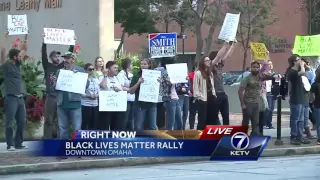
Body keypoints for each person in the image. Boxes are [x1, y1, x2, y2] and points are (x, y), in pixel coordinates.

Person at [41, 34, 75, 139]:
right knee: (49, 119)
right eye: (55, 56)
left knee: (60, 119)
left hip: (59, 96)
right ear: (51, 58)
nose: (58, 58)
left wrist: (72, 44)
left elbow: (69, 55)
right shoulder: (47, 66)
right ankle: (47, 139)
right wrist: (44, 42)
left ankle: (60, 139)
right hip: (50, 96)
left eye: (58, 56)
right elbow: (43, 55)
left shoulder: (61, 67)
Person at [1, 32, 28, 151]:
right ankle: (10, 144)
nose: (21, 56)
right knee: (10, 122)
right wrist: (5, 37)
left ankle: (18, 143)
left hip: (20, 98)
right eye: (19, 55)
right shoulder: (6, 65)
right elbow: (2, 52)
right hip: (11, 97)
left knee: (21, 121)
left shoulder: (18, 64)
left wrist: (26, 37)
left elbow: (24, 50)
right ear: (14, 57)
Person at [238, 61, 274, 136]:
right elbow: (240, 91)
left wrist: (266, 72)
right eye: (254, 67)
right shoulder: (247, 78)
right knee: (245, 122)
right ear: (251, 68)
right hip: (248, 103)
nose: (255, 69)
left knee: (256, 122)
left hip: (256, 103)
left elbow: (271, 77)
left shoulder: (260, 77)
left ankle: (254, 138)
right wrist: (242, 104)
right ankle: (242, 137)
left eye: (257, 67)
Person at [55, 52, 84, 139]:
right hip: (61, 103)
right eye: (65, 58)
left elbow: (86, 85)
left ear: (73, 60)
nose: (65, 60)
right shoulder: (59, 71)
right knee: (62, 128)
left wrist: (78, 76)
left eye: (68, 58)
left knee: (76, 129)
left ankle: (77, 148)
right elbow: (55, 88)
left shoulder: (80, 70)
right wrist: (54, 82)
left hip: (75, 104)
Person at [286, 55, 311, 145]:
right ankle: (294, 136)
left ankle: (300, 136)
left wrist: (305, 65)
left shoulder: (299, 70)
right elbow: (303, 72)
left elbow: (308, 69)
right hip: (295, 98)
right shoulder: (292, 72)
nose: (301, 61)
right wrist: (302, 66)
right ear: (294, 62)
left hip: (302, 98)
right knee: (295, 119)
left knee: (301, 119)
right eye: (299, 60)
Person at [209, 42, 235, 125]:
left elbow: (227, 56)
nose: (221, 58)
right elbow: (219, 56)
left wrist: (233, 45)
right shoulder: (211, 67)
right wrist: (225, 44)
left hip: (223, 94)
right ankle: (215, 131)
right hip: (215, 95)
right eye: (219, 57)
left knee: (226, 115)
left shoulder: (219, 67)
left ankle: (226, 132)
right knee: (214, 116)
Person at [130, 58, 156, 130]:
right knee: (138, 126)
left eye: (145, 64)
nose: (143, 66)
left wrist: (158, 83)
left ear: (149, 65)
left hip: (152, 104)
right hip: (140, 105)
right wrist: (138, 82)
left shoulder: (154, 75)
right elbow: (131, 91)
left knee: (153, 126)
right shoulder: (136, 76)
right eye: (141, 64)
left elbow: (159, 90)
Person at [99, 61, 126, 130]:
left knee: (116, 126)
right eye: (114, 68)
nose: (117, 69)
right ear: (108, 69)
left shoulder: (117, 78)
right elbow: (103, 86)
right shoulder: (102, 77)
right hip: (106, 107)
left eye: (117, 68)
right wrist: (105, 76)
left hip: (116, 107)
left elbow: (121, 91)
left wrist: (119, 90)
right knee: (105, 126)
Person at [159, 58, 183, 130]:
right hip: (169, 99)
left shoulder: (172, 72)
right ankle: (169, 138)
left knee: (179, 120)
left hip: (175, 98)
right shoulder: (165, 73)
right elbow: (167, 84)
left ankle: (178, 136)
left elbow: (177, 86)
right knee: (171, 121)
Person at [193, 56, 216, 130]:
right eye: (206, 60)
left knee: (211, 117)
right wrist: (199, 97)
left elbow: (212, 85)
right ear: (202, 62)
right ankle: (200, 134)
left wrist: (214, 94)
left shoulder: (210, 73)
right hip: (203, 98)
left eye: (209, 60)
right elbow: (195, 87)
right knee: (202, 119)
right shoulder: (198, 73)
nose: (209, 61)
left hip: (211, 97)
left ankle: (208, 134)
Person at [118, 58, 135, 130]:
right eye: (131, 64)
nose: (132, 65)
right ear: (127, 65)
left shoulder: (131, 75)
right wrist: (129, 90)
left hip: (132, 99)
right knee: (124, 119)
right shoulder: (121, 74)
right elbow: (120, 86)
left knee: (131, 119)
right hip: (125, 100)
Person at [81, 63, 100, 130]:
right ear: (85, 70)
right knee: (85, 124)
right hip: (86, 104)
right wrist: (89, 95)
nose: (91, 71)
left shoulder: (96, 80)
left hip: (95, 104)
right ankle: (82, 139)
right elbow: (80, 92)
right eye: (90, 69)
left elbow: (99, 91)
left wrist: (96, 95)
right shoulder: (82, 80)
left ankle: (92, 139)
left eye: (93, 69)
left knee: (94, 125)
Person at [264, 60, 276, 129]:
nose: (270, 65)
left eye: (271, 64)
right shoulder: (264, 74)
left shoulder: (274, 74)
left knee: (271, 108)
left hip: (272, 92)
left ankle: (269, 123)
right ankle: (266, 123)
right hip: (266, 92)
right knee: (267, 108)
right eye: (268, 64)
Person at [155, 60, 166, 129]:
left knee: (160, 116)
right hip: (158, 98)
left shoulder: (161, 71)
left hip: (160, 98)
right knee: (160, 116)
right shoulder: (161, 70)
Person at [309, 70, 320, 144]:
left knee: (319, 123)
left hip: (317, 105)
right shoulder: (315, 84)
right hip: (317, 105)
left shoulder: (315, 84)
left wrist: (313, 101)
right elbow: (311, 93)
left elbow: (310, 93)